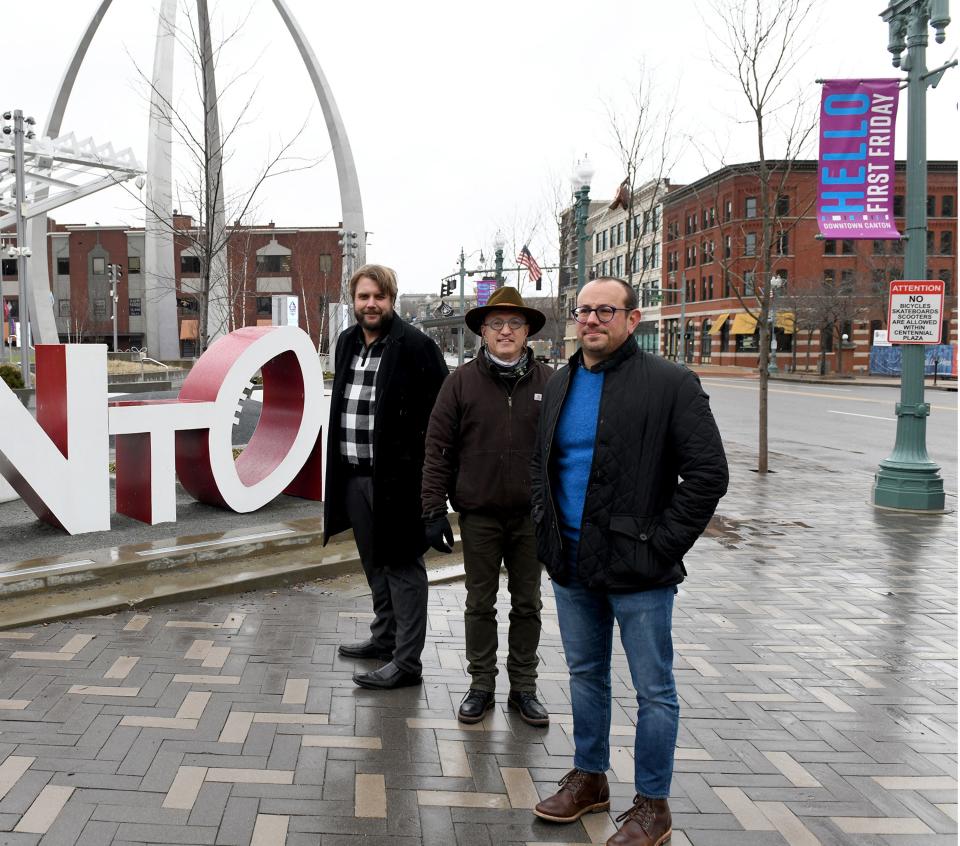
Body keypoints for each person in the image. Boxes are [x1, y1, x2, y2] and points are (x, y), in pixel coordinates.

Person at [530, 277, 728, 846]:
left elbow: (709, 476)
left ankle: (652, 807)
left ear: (632, 319)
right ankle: (590, 778)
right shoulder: (562, 381)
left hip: (640, 572)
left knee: (654, 691)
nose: (591, 320)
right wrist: (545, 534)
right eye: (584, 310)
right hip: (570, 564)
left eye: (605, 311)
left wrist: (660, 546)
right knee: (585, 676)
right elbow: (542, 466)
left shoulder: (671, 384)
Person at [421, 287, 554, 726]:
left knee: (528, 603)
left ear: (527, 331)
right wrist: (432, 509)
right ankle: (481, 684)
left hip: (530, 516)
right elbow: (437, 448)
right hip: (479, 515)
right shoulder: (460, 382)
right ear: (483, 330)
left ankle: (524, 687)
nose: (505, 331)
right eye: (496, 323)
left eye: (515, 323)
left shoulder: (550, 382)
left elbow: (566, 449)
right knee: (480, 603)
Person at [323, 264, 448, 690]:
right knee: (374, 561)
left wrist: (434, 488)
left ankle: (407, 663)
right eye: (363, 297)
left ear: (391, 299)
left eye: (378, 296)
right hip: (354, 475)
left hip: (399, 482)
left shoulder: (415, 346)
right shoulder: (346, 343)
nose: (370, 304)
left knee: (403, 566)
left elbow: (440, 419)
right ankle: (385, 638)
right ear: (354, 301)